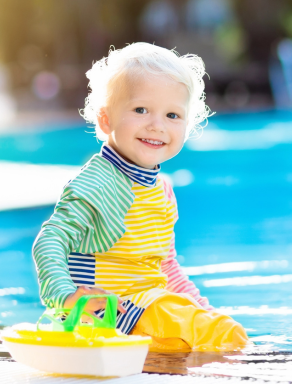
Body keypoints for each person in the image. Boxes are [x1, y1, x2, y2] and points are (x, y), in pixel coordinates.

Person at [32, 42, 249, 351]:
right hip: (113, 315)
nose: (156, 125)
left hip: (150, 307)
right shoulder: (98, 183)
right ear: (106, 120)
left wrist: (202, 308)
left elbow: (166, 267)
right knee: (225, 338)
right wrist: (65, 297)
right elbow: (49, 240)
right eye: (141, 110)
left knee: (217, 328)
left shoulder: (161, 189)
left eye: (173, 115)